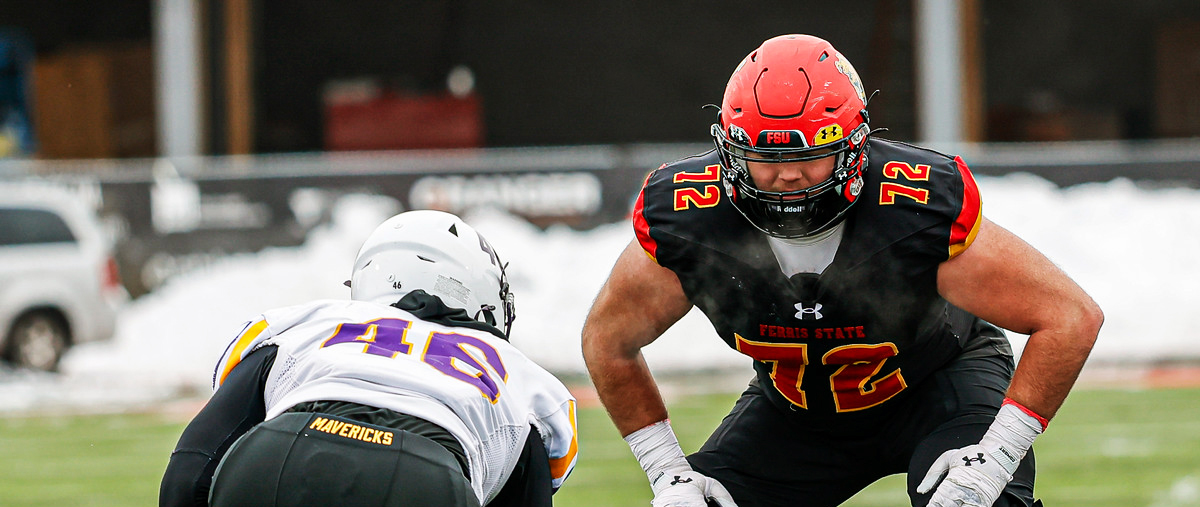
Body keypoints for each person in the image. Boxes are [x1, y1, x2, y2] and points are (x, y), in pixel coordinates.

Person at [581, 34, 1103, 507]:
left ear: (855, 147)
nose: (787, 174)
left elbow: (1069, 316)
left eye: (812, 154)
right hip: (795, 413)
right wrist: (667, 472)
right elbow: (608, 340)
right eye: (763, 154)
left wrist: (996, 459)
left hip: (938, 389)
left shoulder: (910, 206)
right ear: (729, 149)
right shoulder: (691, 219)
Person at [160, 210, 579, 507]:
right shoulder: (518, 374)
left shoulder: (309, 322)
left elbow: (192, 464)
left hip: (276, 453)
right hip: (425, 476)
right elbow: (543, 472)